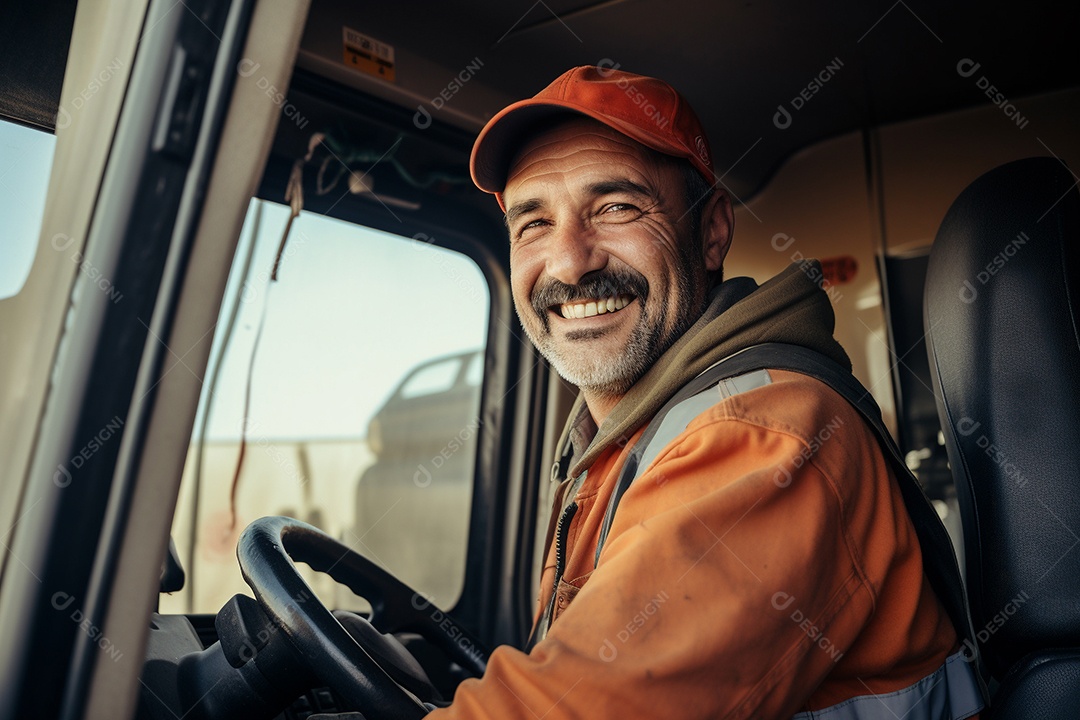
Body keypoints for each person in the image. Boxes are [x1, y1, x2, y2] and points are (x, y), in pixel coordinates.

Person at [425, 65, 983, 718]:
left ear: (712, 231)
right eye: (534, 224)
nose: (571, 261)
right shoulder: (620, 439)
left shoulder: (763, 434)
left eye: (616, 207)